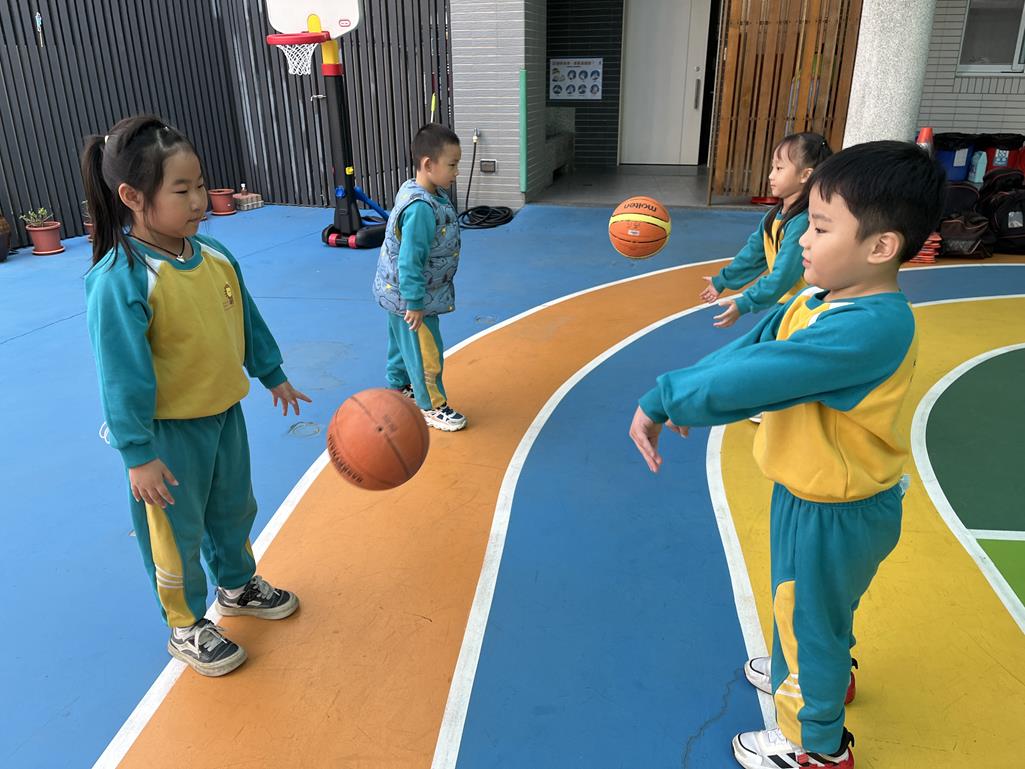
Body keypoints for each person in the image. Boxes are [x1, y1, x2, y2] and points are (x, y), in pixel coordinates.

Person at [629, 141, 945, 768]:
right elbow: (753, 350)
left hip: (836, 510)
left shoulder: (871, 327)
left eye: (821, 228)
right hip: (812, 494)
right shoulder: (816, 299)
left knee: (808, 621)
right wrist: (684, 393)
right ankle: (819, 670)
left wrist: (665, 399)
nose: (803, 238)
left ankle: (816, 747)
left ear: (881, 247)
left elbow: (767, 374)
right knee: (807, 608)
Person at [83, 115, 311, 677]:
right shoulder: (122, 278)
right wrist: (138, 453)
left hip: (223, 416)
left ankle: (237, 586)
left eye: (201, 185)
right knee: (176, 534)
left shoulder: (213, 255)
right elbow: (120, 374)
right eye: (180, 190)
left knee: (234, 509)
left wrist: (271, 372)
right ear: (132, 197)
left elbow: (245, 317)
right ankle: (185, 624)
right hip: (166, 435)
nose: (198, 200)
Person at [373, 123, 467, 431]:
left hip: (394, 293)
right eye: (452, 165)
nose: (456, 172)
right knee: (427, 352)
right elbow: (410, 260)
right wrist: (415, 302)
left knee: (401, 347)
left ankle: (399, 387)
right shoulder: (421, 209)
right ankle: (431, 406)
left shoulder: (416, 190)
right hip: (413, 299)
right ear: (428, 164)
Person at [701, 133, 833, 330]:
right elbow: (753, 254)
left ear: (805, 175)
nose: (771, 175)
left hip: (807, 309)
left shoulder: (802, 222)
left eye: (779, 168)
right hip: (788, 305)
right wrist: (722, 279)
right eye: (773, 167)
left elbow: (783, 276)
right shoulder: (774, 216)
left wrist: (746, 302)